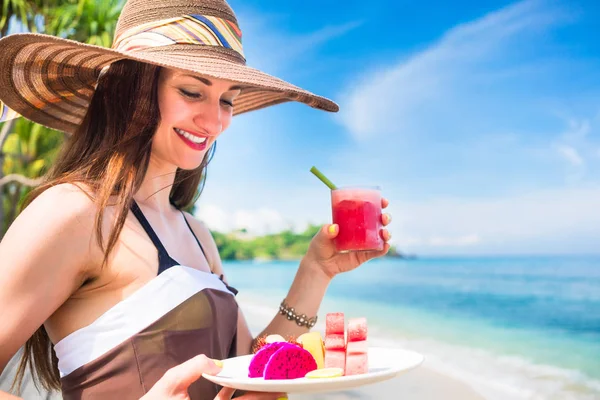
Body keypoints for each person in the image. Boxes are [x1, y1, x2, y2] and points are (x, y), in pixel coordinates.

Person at [0, 0, 392, 399]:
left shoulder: (197, 234)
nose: (215, 121)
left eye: (227, 100)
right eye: (192, 91)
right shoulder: (73, 212)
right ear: (133, 89)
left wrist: (316, 271)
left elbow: (247, 372)